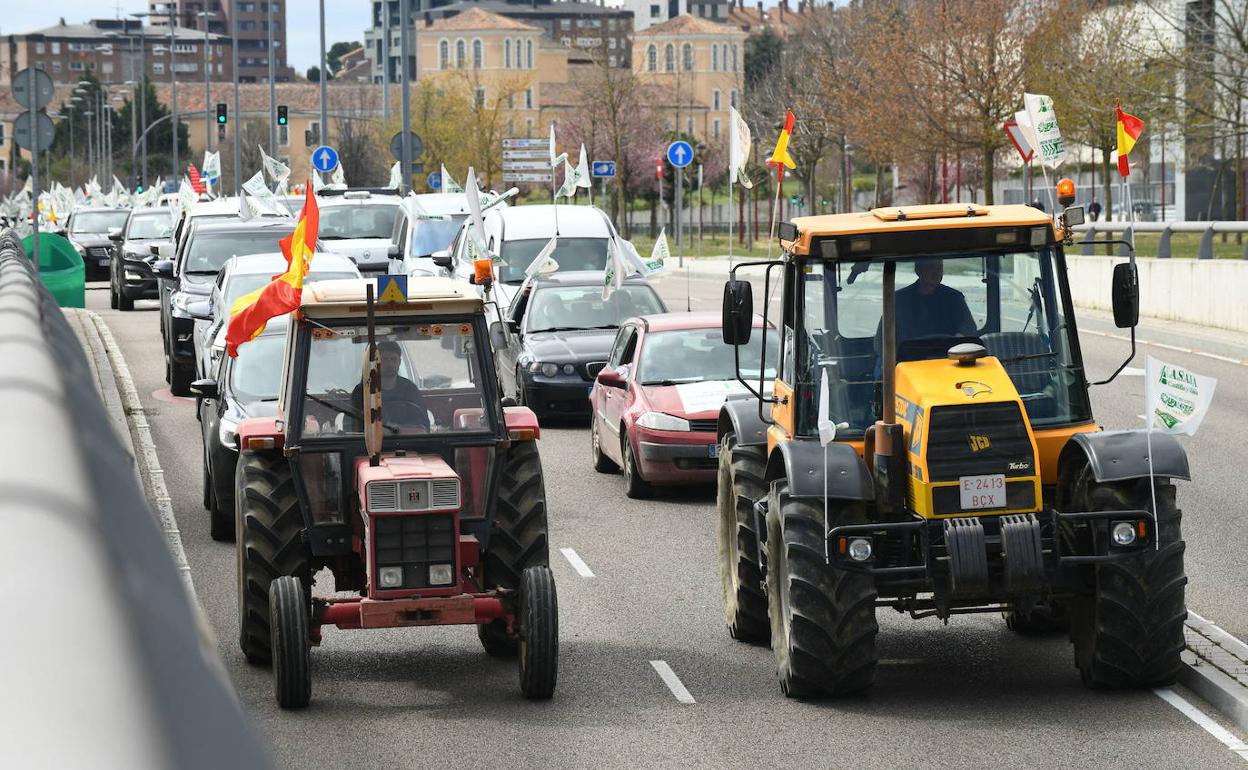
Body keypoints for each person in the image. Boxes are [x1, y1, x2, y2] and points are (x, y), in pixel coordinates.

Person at [351, 340, 431, 431]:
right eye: (384, 359)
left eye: (393, 359)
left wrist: (398, 430)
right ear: (376, 362)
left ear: (399, 362)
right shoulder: (362, 391)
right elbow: (352, 428)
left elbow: (424, 427)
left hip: (407, 443)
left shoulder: (411, 390)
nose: (389, 364)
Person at [893, 259, 977, 342]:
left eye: (940, 268)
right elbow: (884, 334)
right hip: (909, 353)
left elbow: (969, 327)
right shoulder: (899, 299)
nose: (937, 273)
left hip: (948, 352)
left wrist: (957, 339)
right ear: (918, 270)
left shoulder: (954, 298)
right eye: (931, 267)